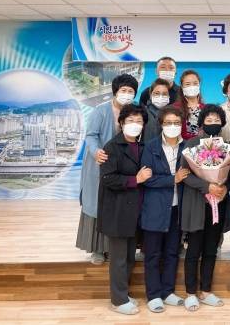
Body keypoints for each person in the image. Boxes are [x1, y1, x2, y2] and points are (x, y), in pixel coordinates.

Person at [76, 73, 139, 265]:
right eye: (123, 90)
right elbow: (91, 135)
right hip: (101, 163)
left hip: (125, 167)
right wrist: (96, 151)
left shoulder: (135, 110)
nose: (127, 94)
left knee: (118, 206)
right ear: (115, 91)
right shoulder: (101, 111)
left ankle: (115, 248)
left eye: (131, 91)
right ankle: (97, 249)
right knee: (98, 204)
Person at [98, 104, 150, 315]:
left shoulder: (143, 146)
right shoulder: (112, 146)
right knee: (119, 258)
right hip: (117, 210)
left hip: (135, 210)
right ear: (121, 123)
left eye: (139, 121)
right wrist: (135, 179)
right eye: (130, 121)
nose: (135, 125)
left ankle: (123, 294)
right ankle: (117, 301)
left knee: (129, 257)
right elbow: (107, 178)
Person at [180, 104, 230, 312]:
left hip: (218, 204)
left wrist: (224, 187)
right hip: (197, 204)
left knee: (211, 249)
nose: (213, 123)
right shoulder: (192, 144)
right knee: (193, 250)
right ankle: (190, 293)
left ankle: (206, 291)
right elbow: (185, 174)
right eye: (209, 120)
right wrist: (207, 186)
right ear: (202, 123)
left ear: (222, 123)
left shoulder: (227, 146)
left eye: (216, 120)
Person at [140, 105, 189, 313]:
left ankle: (168, 292)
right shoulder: (150, 147)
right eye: (168, 123)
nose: (172, 126)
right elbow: (147, 179)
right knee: (152, 254)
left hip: (177, 208)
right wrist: (172, 179)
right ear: (161, 124)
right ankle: (153, 295)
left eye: (176, 123)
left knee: (172, 252)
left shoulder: (187, 147)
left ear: (182, 124)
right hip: (155, 208)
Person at [174, 69, 205, 140]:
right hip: (183, 145)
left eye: (195, 83)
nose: (192, 87)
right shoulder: (175, 108)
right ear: (182, 87)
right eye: (188, 84)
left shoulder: (205, 108)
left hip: (203, 145)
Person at [143, 78, 172, 143]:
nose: (160, 97)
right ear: (150, 95)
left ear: (169, 96)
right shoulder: (142, 113)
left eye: (164, 94)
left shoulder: (173, 115)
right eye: (157, 93)